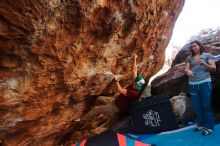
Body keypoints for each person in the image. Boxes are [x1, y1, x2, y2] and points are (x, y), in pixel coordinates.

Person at [82, 54, 145, 121]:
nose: (136, 85)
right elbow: (135, 70)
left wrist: (117, 80)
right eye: (136, 83)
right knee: (99, 98)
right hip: (115, 101)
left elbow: (120, 90)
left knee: (95, 109)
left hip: (116, 107)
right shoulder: (135, 83)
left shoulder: (134, 92)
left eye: (137, 85)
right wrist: (135, 58)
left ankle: (81, 120)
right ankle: (99, 113)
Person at [185, 40, 216, 136]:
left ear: (199, 46)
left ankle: (209, 126)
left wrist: (204, 64)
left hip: (204, 82)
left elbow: (214, 68)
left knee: (206, 105)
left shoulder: (207, 55)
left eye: (195, 46)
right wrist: (188, 71)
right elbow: (186, 68)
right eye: (192, 47)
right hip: (193, 84)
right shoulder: (189, 58)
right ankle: (200, 123)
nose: (193, 48)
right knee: (197, 106)